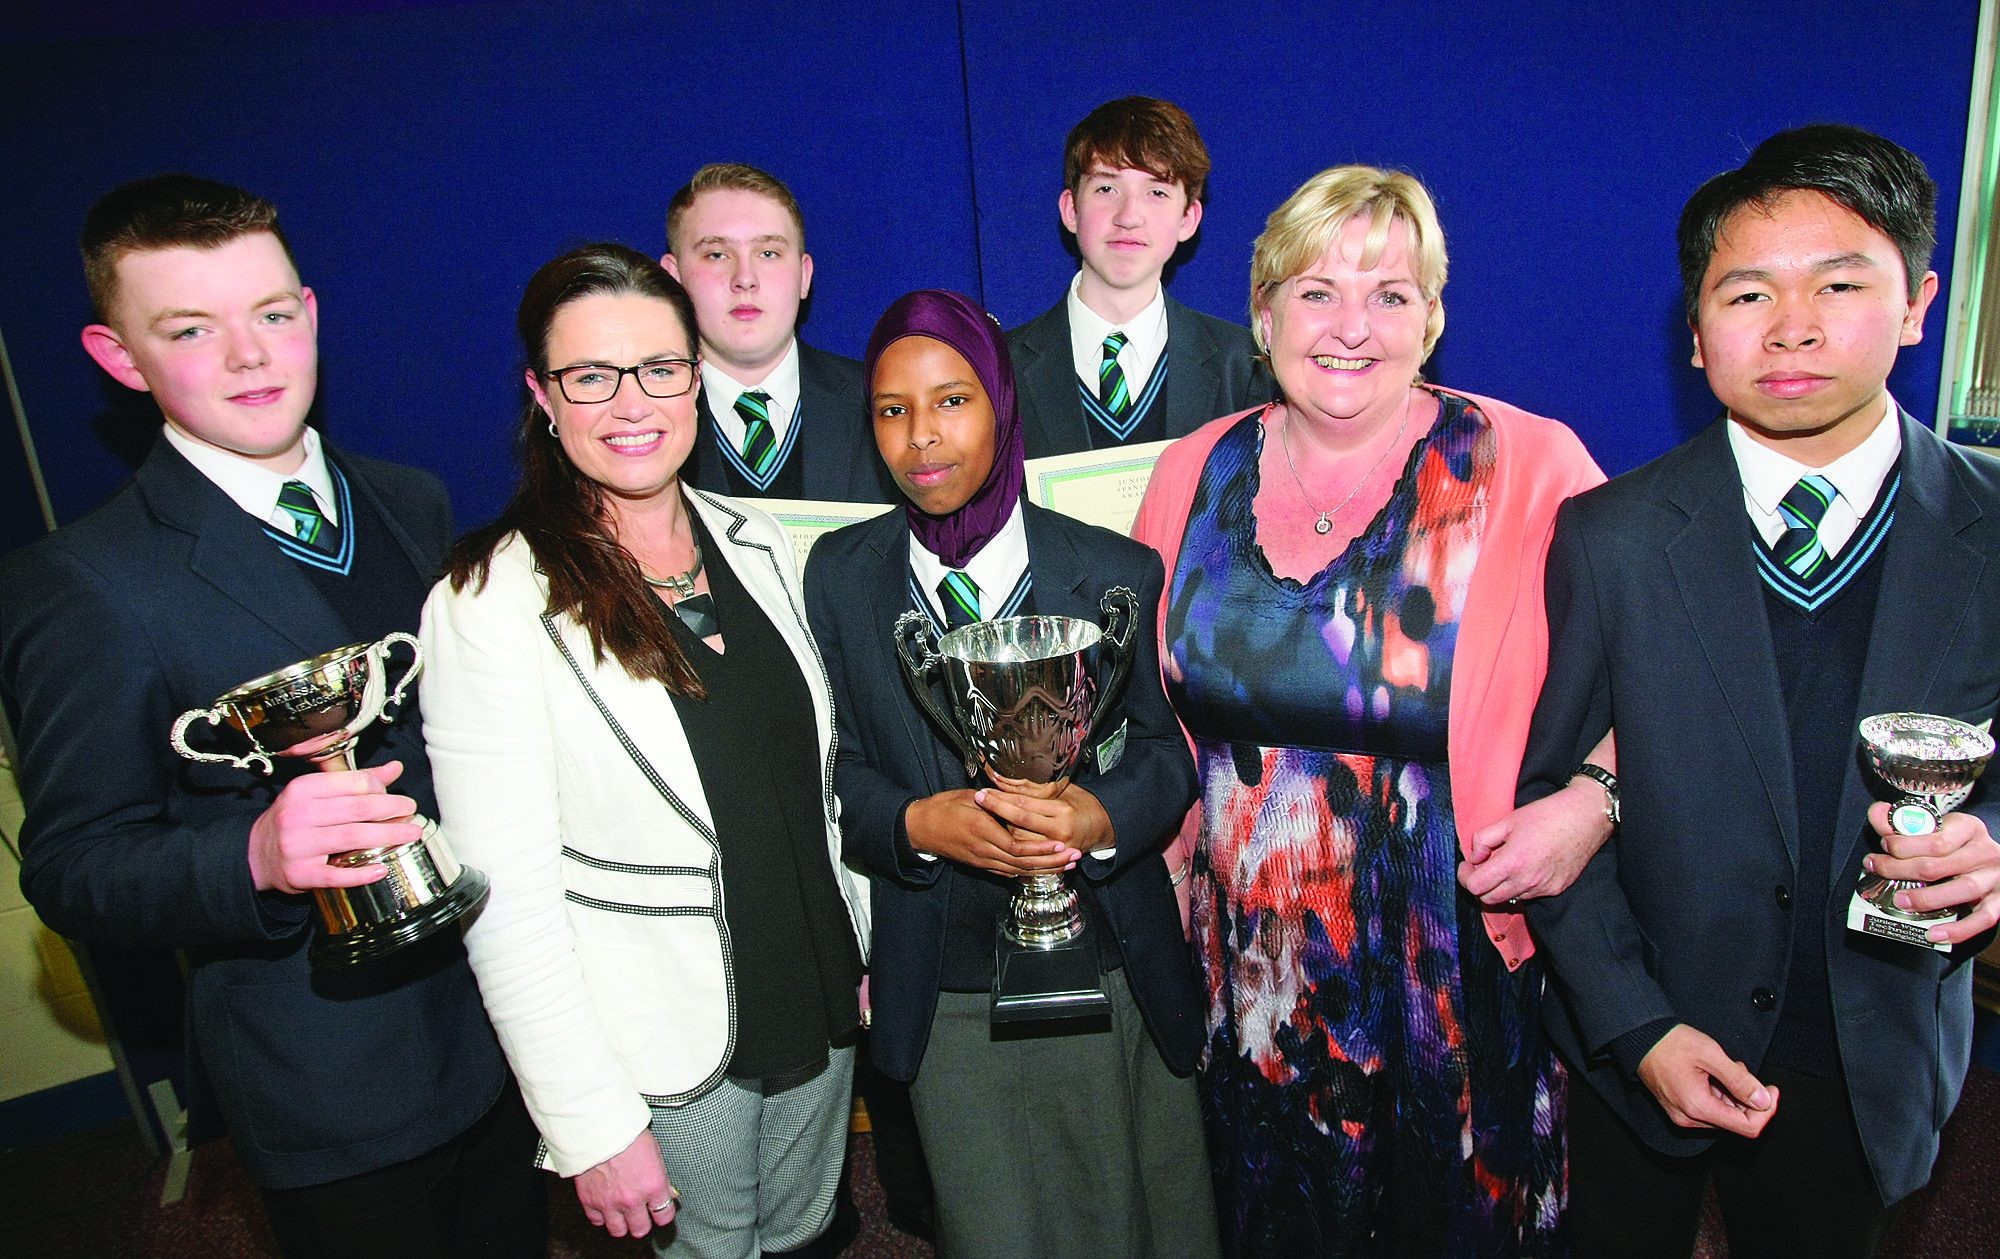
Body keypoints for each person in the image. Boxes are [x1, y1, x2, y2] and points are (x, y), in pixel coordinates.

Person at [0, 174, 545, 1258]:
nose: (251, 357)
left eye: (273, 313)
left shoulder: (410, 498)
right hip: (329, 1079)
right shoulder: (83, 582)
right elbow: (72, 864)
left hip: (494, 1023)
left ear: (312, 315)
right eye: (192, 328)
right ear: (120, 357)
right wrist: (251, 852)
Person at [1521, 123, 2000, 1259]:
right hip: (1645, 1026)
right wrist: (1633, 1022)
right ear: (1693, 332)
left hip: (1866, 1040)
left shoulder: (1987, 529)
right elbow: (1549, 806)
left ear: (1918, 300)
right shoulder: (1612, 536)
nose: (1790, 326)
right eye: (1744, 294)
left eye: (1839, 283)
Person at [1130, 165, 1609, 1257]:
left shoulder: (1527, 465)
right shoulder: (1190, 473)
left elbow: (1670, 674)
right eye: (1313, 291)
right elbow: (1148, 711)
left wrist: (1596, 797)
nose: (1351, 326)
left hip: (1450, 964)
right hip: (1248, 971)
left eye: (1390, 294)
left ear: (1433, 319)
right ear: (1261, 315)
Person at [419, 243, 869, 1259]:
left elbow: (817, 781)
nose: (633, 401)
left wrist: (862, 935)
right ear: (542, 393)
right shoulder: (488, 599)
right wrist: (585, 1121)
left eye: (660, 367)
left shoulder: (756, 543)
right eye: (590, 375)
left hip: (815, 988)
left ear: (696, 374)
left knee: (802, 1236)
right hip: (660, 1043)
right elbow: (503, 898)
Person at [805, 289, 1219, 1259]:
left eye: (951, 400)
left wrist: (1095, 816)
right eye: (890, 409)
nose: (920, 437)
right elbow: (838, 774)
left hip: (1108, 956)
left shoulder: (1112, 568)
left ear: (1000, 403)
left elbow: (1167, 757)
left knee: (1138, 1213)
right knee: (994, 1222)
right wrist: (915, 823)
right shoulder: (840, 574)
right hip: (943, 976)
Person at [1008, 96, 1271, 458]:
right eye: (1106, 188)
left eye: (1156, 192)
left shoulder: (1247, 368)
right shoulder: (999, 370)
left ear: (1188, 219)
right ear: (1071, 210)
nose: (1129, 216)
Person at [663, 162, 895, 502]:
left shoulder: (879, 403)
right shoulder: (642, 420)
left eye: (768, 253)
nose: (744, 278)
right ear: (674, 277)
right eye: (716, 254)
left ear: (804, 276)